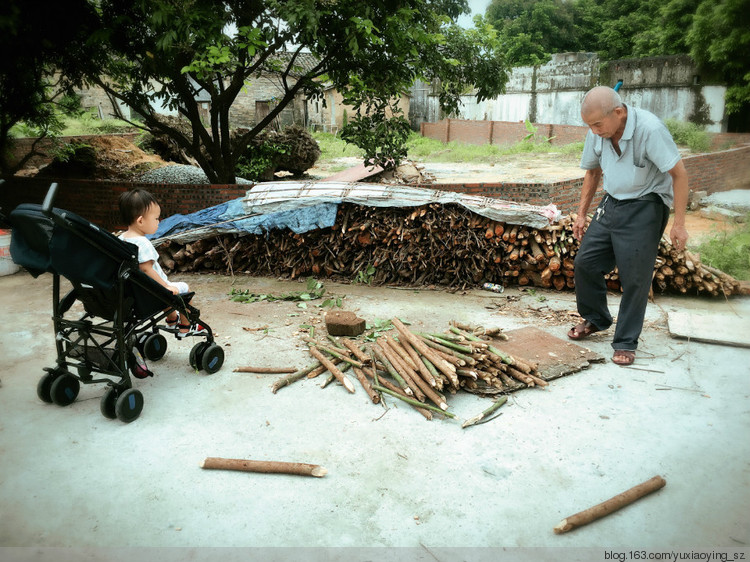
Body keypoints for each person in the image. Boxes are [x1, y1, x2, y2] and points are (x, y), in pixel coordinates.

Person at [568, 86, 689, 366]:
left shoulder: (650, 129)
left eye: (598, 124)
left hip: (647, 204)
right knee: (585, 262)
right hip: (612, 202)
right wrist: (581, 213)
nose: (594, 130)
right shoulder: (597, 132)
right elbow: (593, 171)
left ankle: (625, 341)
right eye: (589, 125)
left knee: (635, 276)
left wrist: (679, 224)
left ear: (619, 113)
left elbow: (679, 174)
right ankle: (597, 318)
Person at [118, 189, 201, 335]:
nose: (159, 222)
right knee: (182, 288)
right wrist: (165, 286)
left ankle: (171, 320)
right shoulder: (142, 243)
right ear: (141, 220)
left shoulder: (121, 239)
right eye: (156, 219)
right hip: (152, 291)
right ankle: (186, 326)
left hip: (136, 291)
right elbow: (146, 269)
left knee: (167, 294)